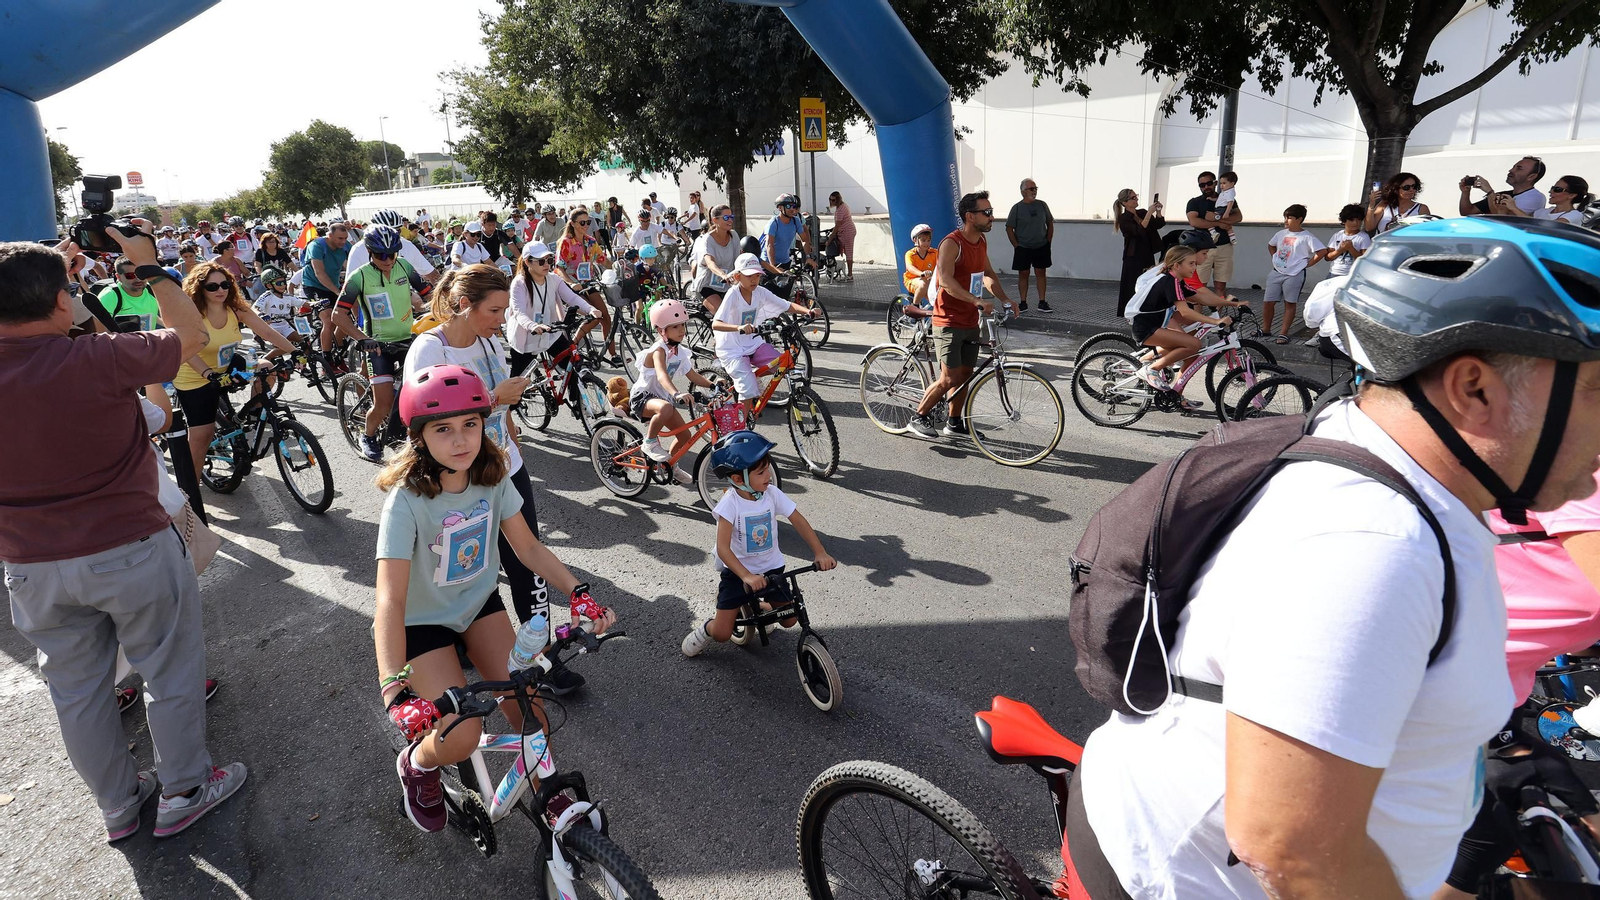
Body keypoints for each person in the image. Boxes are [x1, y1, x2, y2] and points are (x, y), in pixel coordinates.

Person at [1065, 216, 1600, 900]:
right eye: (1596, 391)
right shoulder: (1371, 545)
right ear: (1474, 389)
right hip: (1176, 878)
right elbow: (1294, 850)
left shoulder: (1411, 475)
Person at [0, 226, 249, 843]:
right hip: (129, 547)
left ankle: (118, 807)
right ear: (64, 301)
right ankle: (185, 789)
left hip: (30, 565)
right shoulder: (98, 358)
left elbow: (34, 320)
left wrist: (45, 280)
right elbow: (189, 337)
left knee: (78, 693)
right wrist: (152, 268)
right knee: (168, 670)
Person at [374, 364, 615, 833]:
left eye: (471, 424)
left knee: (531, 712)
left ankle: (546, 792)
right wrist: (394, 689)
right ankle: (418, 766)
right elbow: (389, 601)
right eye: (443, 429)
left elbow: (527, 548)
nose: (461, 440)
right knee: (460, 736)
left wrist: (577, 592)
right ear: (420, 436)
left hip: (479, 606)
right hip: (421, 624)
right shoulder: (405, 502)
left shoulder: (493, 476)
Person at [1431, 466, 1600, 898]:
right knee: (1471, 837)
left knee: (1501, 820)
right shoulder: (1586, 467)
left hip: (1486, 690)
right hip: (1432, 690)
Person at [681, 430, 836, 656]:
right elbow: (723, 549)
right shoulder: (730, 504)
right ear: (737, 479)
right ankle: (707, 629)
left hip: (771, 568)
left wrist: (820, 552)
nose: (769, 476)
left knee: (790, 620)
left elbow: (798, 520)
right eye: (762, 472)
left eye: (768, 470)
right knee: (723, 634)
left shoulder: (771, 493)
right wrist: (746, 576)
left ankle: (761, 608)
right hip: (738, 574)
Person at [170, 262, 298, 480]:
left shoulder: (236, 309)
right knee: (202, 435)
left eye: (225, 284)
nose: (220, 290)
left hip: (226, 364)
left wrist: (297, 351)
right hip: (195, 376)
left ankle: (252, 412)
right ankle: (188, 491)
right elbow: (186, 351)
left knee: (266, 368)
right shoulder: (191, 314)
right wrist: (208, 374)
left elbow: (267, 331)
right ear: (199, 288)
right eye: (212, 287)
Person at [908, 191, 1018, 439]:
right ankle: (919, 416)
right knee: (949, 378)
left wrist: (1005, 299)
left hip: (970, 318)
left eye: (991, 212)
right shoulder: (952, 243)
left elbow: (987, 274)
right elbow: (946, 280)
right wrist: (976, 300)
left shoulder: (980, 242)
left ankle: (954, 422)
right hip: (948, 320)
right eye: (986, 213)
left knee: (966, 374)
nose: (992, 217)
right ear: (970, 216)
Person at [333, 225, 433, 461]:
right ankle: (367, 436)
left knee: (425, 391)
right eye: (381, 255)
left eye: (392, 254)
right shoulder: (359, 276)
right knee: (384, 403)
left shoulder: (404, 267)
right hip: (378, 346)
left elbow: (429, 294)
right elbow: (338, 315)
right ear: (369, 251)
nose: (387, 260)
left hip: (408, 339)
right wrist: (362, 338)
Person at [711, 252, 820, 416]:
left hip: (753, 343)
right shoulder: (733, 294)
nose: (754, 280)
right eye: (750, 276)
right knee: (747, 390)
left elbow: (785, 305)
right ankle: (741, 427)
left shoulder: (760, 292)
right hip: (732, 349)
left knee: (781, 366)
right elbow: (716, 324)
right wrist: (738, 327)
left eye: (757, 275)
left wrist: (808, 311)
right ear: (738, 276)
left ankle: (750, 378)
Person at [1123, 245, 1229, 410]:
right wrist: (1214, 321)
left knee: (1191, 353)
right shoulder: (1169, 281)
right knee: (1194, 344)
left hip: (1156, 325)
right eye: (1191, 264)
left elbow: (1200, 297)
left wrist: (1231, 303)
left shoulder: (1176, 281)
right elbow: (1185, 312)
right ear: (1177, 265)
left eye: (1195, 263)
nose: (1195, 267)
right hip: (1146, 328)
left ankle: (1176, 395)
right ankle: (1151, 369)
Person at [631, 298, 713, 484]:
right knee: (666, 407)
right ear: (662, 330)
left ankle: (671, 466)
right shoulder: (658, 351)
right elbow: (661, 376)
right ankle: (649, 442)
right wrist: (677, 393)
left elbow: (693, 375)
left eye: (683, 325)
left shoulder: (680, 352)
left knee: (685, 436)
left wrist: (713, 385)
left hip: (662, 400)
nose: (682, 330)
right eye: (675, 327)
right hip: (642, 398)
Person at [507, 241, 602, 379]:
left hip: (551, 333)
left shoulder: (553, 279)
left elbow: (572, 298)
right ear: (528, 262)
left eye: (550, 260)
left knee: (572, 370)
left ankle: (577, 400)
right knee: (517, 386)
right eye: (541, 261)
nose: (547, 264)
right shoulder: (519, 283)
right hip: (526, 337)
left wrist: (590, 309)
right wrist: (532, 325)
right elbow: (518, 311)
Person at [555, 211, 616, 362]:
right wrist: (571, 283)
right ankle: (572, 345)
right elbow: (559, 268)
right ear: (573, 223)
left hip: (587, 284)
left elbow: (604, 261)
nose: (586, 226)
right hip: (570, 286)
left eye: (588, 222)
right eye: (582, 223)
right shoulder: (566, 243)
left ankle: (613, 355)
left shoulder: (591, 241)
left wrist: (620, 268)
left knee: (606, 316)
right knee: (594, 316)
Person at [1262, 204, 1325, 344]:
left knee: (1289, 303)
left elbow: (1321, 251)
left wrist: (1309, 263)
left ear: (1299, 219)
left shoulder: (1307, 237)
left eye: (1289, 218)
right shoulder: (1280, 234)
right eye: (1285, 217)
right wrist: (1274, 257)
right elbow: (1271, 245)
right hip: (1276, 271)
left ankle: (1283, 333)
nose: (1285, 220)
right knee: (1268, 302)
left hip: (1295, 274)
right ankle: (1266, 328)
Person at [1185, 171, 1241, 299]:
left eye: (1209, 183)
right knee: (1199, 287)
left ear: (1215, 183)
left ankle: (1217, 317)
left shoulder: (1227, 198)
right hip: (1202, 248)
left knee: (1221, 286)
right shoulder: (1194, 202)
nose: (1206, 187)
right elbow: (1194, 221)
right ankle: (1198, 319)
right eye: (1202, 185)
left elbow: (1238, 216)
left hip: (1224, 247)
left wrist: (1215, 219)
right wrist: (1220, 223)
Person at [301, 222, 350, 360]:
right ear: (330, 235)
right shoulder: (316, 246)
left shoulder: (346, 246)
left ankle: (338, 347)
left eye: (345, 238)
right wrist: (337, 291)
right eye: (340, 238)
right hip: (314, 285)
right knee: (328, 319)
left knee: (344, 317)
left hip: (333, 284)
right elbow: (319, 273)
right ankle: (326, 357)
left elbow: (353, 264)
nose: (343, 241)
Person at [1113, 188, 1165, 318]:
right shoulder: (1124, 218)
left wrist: (1158, 211)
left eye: (1136, 197)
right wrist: (1149, 213)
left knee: (1147, 282)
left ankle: (1144, 309)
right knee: (1131, 284)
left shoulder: (1141, 212)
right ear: (1125, 202)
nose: (1136, 200)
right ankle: (1128, 312)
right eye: (1133, 198)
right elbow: (1139, 231)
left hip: (1147, 252)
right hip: (1133, 255)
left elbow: (1158, 224)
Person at [1005, 178, 1054, 313]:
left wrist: (1048, 241)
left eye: (1036, 188)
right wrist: (1016, 245)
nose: (1034, 191)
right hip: (1023, 247)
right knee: (1023, 274)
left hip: (1041, 245)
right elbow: (1009, 228)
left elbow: (1050, 223)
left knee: (1041, 272)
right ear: (1023, 191)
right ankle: (1023, 303)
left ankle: (1042, 302)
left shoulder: (1042, 205)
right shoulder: (1017, 208)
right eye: (1032, 189)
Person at [348, 210, 437, 282]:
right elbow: (350, 286)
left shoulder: (406, 245)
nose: (392, 235)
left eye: (397, 231)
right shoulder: (358, 250)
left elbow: (431, 273)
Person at [689, 204, 740, 315]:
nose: (730, 220)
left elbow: (738, 260)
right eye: (726, 218)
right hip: (706, 286)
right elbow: (710, 262)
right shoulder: (707, 239)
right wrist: (723, 275)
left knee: (738, 313)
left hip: (727, 285)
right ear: (715, 220)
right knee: (722, 315)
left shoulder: (734, 235)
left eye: (731, 217)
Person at [1460, 156, 1548, 216]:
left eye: (1519, 168)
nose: (1511, 170)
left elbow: (1504, 220)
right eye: (1513, 167)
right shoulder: (1502, 195)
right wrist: (1465, 192)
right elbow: (1467, 211)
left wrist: (1490, 192)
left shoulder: (1535, 197)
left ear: (1531, 176)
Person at [760, 193, 815, 287]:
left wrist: (808, 257)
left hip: (785, 261)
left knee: (784, 294)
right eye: (788, 206)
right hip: (769, 264)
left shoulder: (795, 221)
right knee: (770, 296)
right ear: (780, 208)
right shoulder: (773, 223)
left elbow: (804, 240)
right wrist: (774, 267)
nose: (792, 209)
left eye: (794, 206)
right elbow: (770, 245)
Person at [1490, 174, 1591, 225]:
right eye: (1552, 188)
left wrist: (1514, 208)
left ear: (1572, 195)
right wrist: (1502, 210)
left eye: (1557, 189)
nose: (1551, 192)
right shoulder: (1542, 212)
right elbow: (1519, 223)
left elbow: (1545, 227)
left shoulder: (1575, 215)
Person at [101, 257, 163, 333]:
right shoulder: (110, 295)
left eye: (141, 274)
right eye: (130, 275)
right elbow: (100, 328)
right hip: (120, 344)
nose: (138, 279)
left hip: (148, 343)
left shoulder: (153, 290)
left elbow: (152, 315)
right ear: (118, 277)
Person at [1314, 204, 1372, 279]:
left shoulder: (1364, 237)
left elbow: (1364, 260)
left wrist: (1351, 249)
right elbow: (1327, 257)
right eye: (1352, 220)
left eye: (1359, 220)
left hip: (1352, 275)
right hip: (1334, 273)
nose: (1355, 223)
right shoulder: (1337, 235)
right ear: (1344, 221)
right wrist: (1340, 250)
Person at [1365, 171, 1431, 233]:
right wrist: (1371, 206)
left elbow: (1427, 232)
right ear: (1396, 189)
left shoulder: (1422, 209)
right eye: (1406, 187)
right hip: (1385, 244)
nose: (1411, 190)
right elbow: (1369, 227)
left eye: (1414, 186)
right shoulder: (1384, 205)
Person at [902, 223, 939, 312]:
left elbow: (941, 264)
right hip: (912, 280)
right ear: (915, 240)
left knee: (939, 299)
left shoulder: (935, 252)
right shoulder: (910, 254)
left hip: (930, 281)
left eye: (929, 240)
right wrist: (922, 274)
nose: (927, 243)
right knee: (923, 284)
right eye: (923, 240)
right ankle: (914, 308)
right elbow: (910, 267)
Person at [827, 191, 856, 281]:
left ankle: (850, 275)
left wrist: (830, 239)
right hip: (846, 231)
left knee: (849, 253)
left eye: (833, 200)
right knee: (848, 252)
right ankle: (848, 273)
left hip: (847, 232)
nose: (832, 202)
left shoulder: (840, 210)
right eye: (830, 200)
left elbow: (837, 226)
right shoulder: (842, 206)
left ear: (838, 199)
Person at [1209, 171, 1239, 243]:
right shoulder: (1225, 192)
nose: (1221, 185)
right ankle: (1232, 238)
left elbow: (1230, 202)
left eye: (1224, 183)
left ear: (1232, 183)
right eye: (1221, 183)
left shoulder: (1229, 193)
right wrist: (1212, 199)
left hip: (1222, 208)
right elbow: (1220, 199)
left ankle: (1213, 232)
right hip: (1221, 207)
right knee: (1227, 225)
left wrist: (1227, 212)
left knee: (1209, 220)